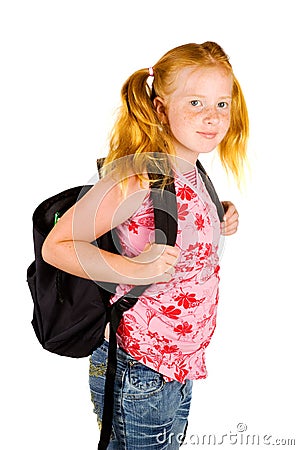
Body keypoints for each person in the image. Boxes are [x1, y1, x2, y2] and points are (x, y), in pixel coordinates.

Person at [42, 41, 249, 449]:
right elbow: (58, 245)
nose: (213, 117)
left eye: (222, 104)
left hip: (180, 363)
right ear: (160, 108)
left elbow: (177, 224)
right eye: (195, 103)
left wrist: (219, 214)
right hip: (139, 366)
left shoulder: (194, 171)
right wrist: (139, 270)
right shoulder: (136, 180)